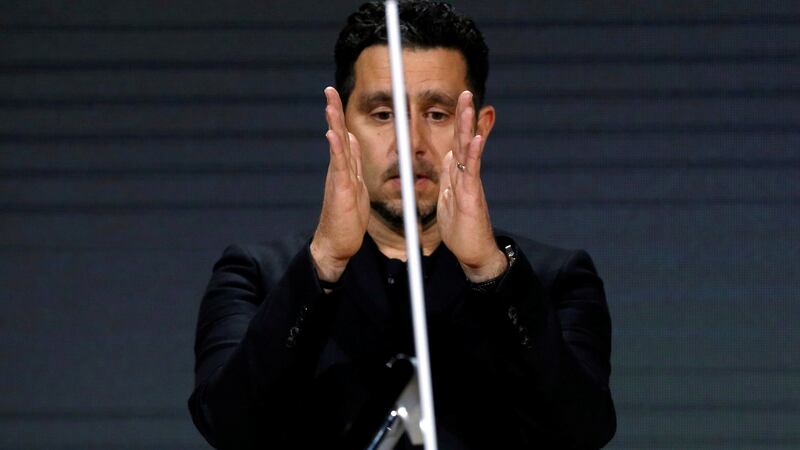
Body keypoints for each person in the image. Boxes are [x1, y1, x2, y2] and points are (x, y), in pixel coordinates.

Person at [189, 1, 616, 448]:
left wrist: (489, 271)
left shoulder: (553, 280)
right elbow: (229, 426)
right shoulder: (258, 276)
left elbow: (581, 431)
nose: (410, 143)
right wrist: (325, 263)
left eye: (437, 114)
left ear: (479, 129)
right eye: (382, 114)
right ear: (340, 127)